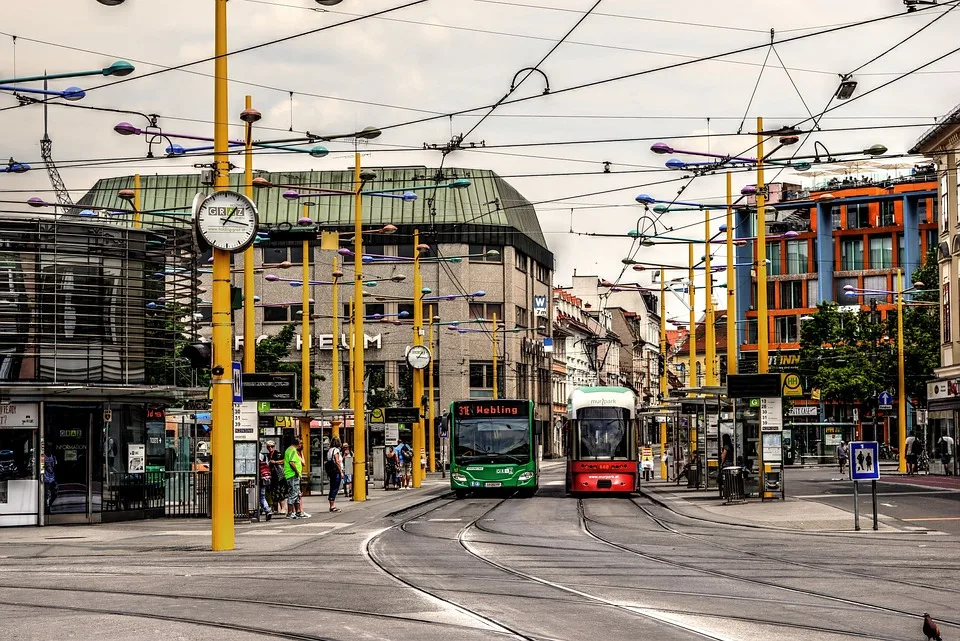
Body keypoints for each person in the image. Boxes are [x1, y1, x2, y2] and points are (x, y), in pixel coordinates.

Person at [283, 437, 311, 519]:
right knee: (293, 493)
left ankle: (298, 511)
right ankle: (290, 512)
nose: (301, 445)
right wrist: (297, 471)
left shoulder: (290, 450)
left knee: (297, 493)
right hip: (292, 475)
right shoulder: (292, 450)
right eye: (301, 443)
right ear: (298, 443)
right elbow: (291, 462)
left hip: (293, 475)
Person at [267, 441, 286, 514]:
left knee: (281, 493)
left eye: (272, 446)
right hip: (272, 477)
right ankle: (275, 509)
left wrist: (275, 462)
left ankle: (283, 508)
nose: (270, 448)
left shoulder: (278, 454)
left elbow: (284, 461)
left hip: (279, 476)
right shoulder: (268, 455)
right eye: (268, 447)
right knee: (274, 493)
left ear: (274, 447)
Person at [326, 437, 343, 513]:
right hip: (336, 471)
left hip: (331, 471)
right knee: (335, 488)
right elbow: (337, 461)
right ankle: (332, 505)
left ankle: (331, 504)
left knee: (332, 486)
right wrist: (341, 471)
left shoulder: (329, 451)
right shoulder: (336, 450)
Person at [257, 442, 274, 521]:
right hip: (264, 478)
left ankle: (265, 509)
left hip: (258, 478)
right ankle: (266, 509)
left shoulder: (254, 456)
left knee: (258, 496)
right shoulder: (264, 456)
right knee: (262, 496)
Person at [43, 446, 57, 512]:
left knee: (54, 493)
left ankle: (49, 505)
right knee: (46, 495)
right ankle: (46, 508)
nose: (49, 449)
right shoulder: (43, 457)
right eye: (48, 448)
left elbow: (54, 467)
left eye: (50, 448)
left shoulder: (53, 457)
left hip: (52, 478)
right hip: (46, 479)